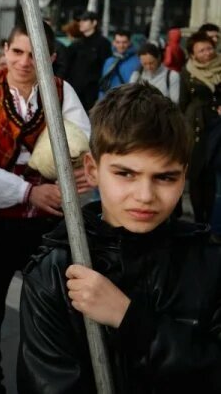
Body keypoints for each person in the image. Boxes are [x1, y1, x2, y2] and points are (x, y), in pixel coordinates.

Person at [18, 84, 221, 392]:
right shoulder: (56, 272)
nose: (145, 196)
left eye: (165, 177)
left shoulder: (210, 261)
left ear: (184, 175)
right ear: (92, 169)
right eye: (125, 174)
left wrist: (130, 321)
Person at [0, 21, 90, 394]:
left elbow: (83, 142)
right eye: (17, 51)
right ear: (5, 50)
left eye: (35, 54)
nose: (25, 61)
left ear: (51, 57)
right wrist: (31, 192)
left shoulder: (62, 92)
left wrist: (79, 175)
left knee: (53, 310)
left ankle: (44, 383)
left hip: (47, 225)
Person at [179, 31, 221, 228]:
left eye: (209, 48)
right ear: (193, 54)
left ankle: (211, 221)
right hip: (195, 125)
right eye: (201, 50)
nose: (207, 53)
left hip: (217, 125)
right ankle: (198, 221)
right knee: (196, 174)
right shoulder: (187, 71)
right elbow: (183, 102)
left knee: (212, 174)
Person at [64, 10, 112, 111]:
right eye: (80, 20)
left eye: (85, 20)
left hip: (93, 93)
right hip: (75, 92)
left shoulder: (103, 43)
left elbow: (107, 68)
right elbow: (66, 66)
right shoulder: (76, 44)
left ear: (94, 23)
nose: (80, 23)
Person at [98, 29, 138, 97]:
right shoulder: (109, 61)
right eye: (118, 42)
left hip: (128, 100)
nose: (121, 46)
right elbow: (103, 85)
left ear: (129, 42)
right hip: (110, 100)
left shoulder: (137, 61)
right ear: (113, 42)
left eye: (124, 42)